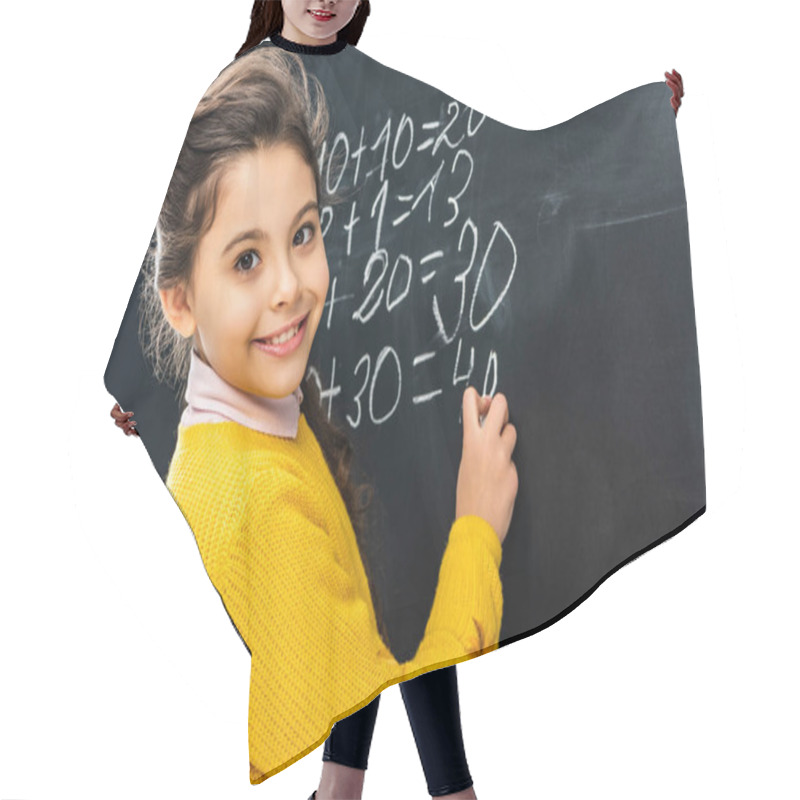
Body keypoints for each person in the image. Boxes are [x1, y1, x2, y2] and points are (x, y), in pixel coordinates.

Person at [109, 3, 684, 797]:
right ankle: (435, 790)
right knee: (382, 585)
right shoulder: (246, 87)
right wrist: (145, 375)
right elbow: (179, 243)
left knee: (394, 574)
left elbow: (494, 180)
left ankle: (347, 784)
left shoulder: (372, 90)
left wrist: (634, 134)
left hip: (386, 393)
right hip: (309, 393)